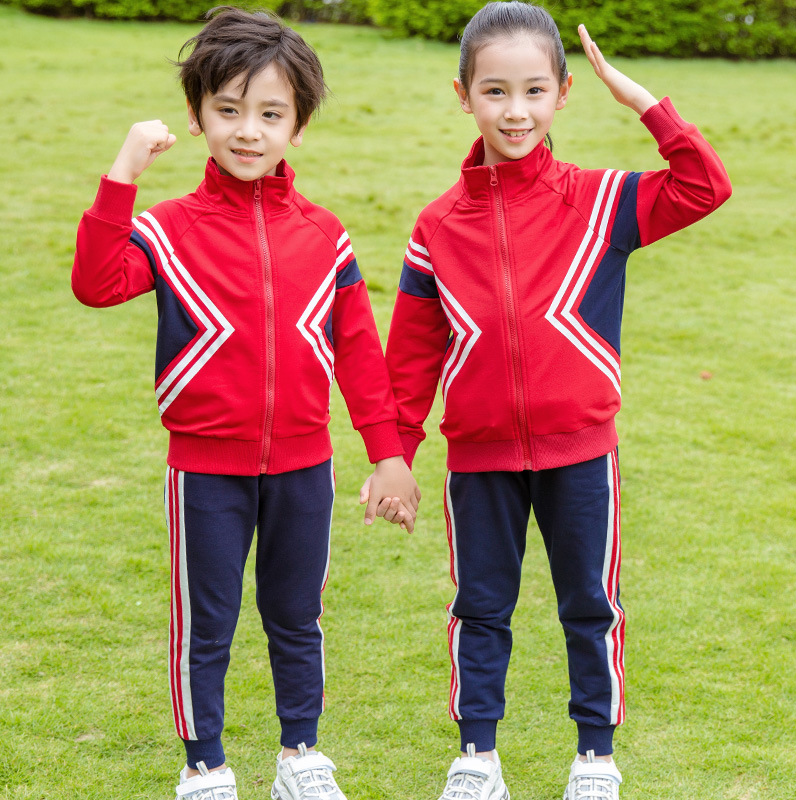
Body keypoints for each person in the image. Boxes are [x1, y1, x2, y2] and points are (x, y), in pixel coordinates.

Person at [384, 3, 731, 799]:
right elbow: (412, 356)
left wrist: (643, 101)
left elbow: (707, 185)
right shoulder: (437, 226)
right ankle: (477, 758)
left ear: (564, 93)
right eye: (496, 91)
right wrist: (395, 453)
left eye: (535, 91)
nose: (515, 111)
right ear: (464, 95)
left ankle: (595, 759)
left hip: (582, 452)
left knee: (590, 605)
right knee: (480, 607)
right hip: (478, 459)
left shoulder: (606, 202)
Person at [72, 7, 420, 800]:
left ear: (298, 126)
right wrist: (124, 170)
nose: (248, 131)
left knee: (297, 617)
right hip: (207, 473)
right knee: (208, 626)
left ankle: (301, 757)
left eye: (271, 113)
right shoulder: (167, 230)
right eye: (228, 111)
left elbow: (362, 355)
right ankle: (205, 767)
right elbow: (94, 284)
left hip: (306, 467)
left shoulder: (326, 236)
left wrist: (389, 454)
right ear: (197, 117)